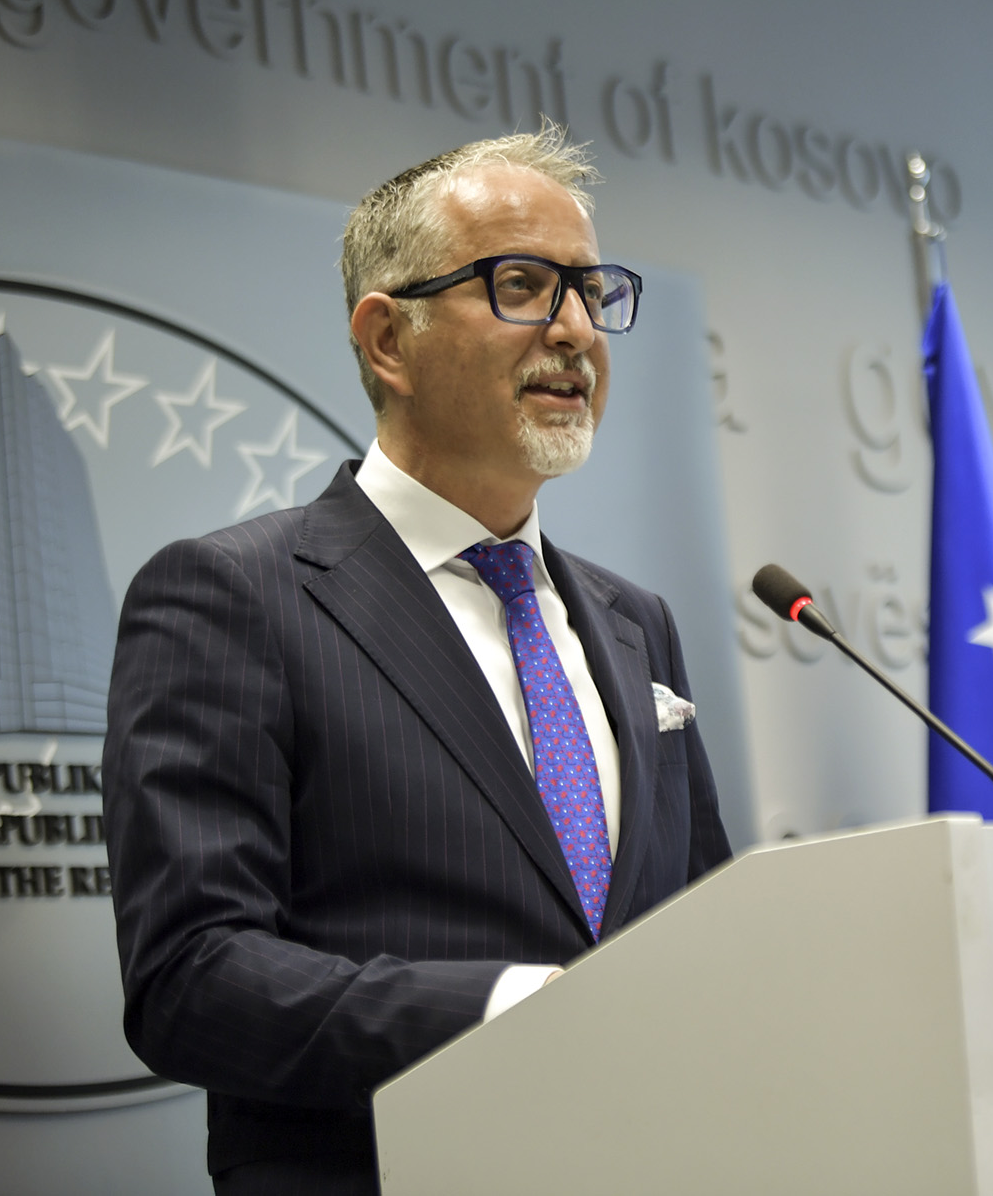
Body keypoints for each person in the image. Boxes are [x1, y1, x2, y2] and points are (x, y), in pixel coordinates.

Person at [104, 127, 733, 1196]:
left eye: (592, 292)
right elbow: (191, 975)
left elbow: (704, 932)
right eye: (523, 286)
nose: (576, 331)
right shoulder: (233, 595)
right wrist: (508, 1014)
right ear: (388, 339)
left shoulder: (637, 623)